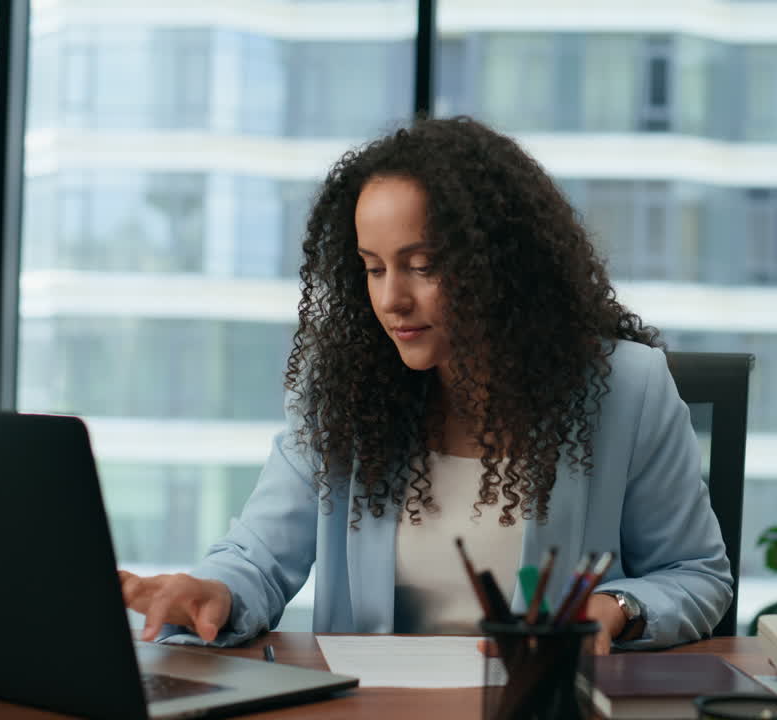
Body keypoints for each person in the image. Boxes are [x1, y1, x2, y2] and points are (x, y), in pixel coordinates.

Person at [120, 116, 732, 653]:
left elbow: (695, 575)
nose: (393, 300)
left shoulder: (627, 387)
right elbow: (258, 555)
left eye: (423, 266)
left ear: (500, 264)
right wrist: (214, 591)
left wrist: (616, 610)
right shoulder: (342, 392)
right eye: (373, 268)